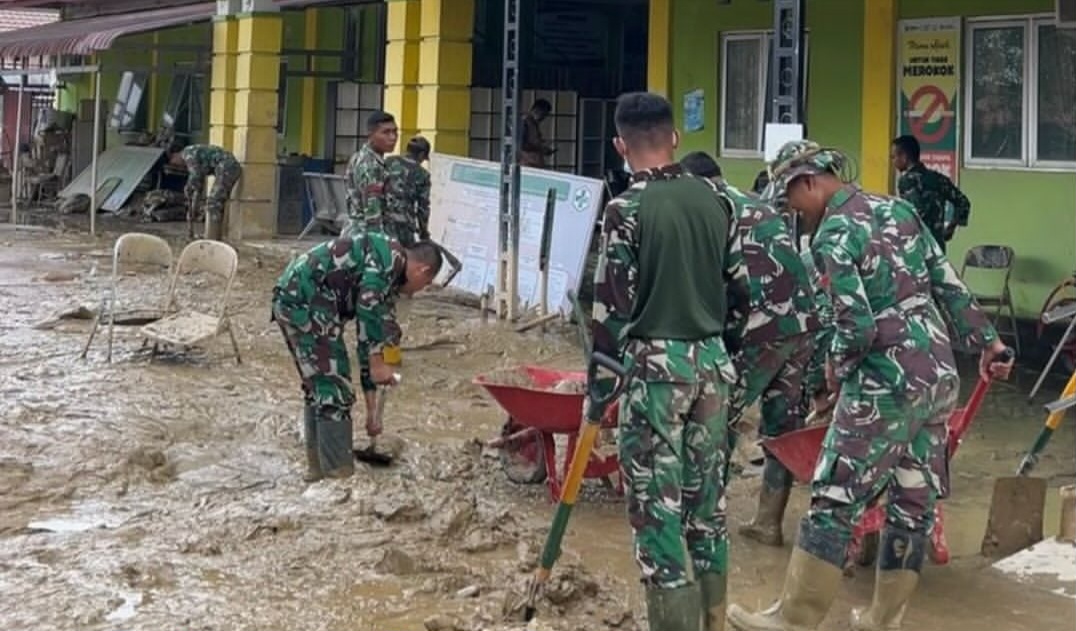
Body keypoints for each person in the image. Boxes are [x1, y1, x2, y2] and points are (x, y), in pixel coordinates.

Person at [726, 140, 1014, 631]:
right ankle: (883, 619)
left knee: (834, 496)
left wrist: (835, 369)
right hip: (938, 374)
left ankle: (794, 619)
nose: (792, 210)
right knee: (912, 500)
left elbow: (856, 328)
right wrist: (988, 343)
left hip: (886, 380)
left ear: (811, 180)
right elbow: (945, 281)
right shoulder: (896, 208)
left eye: (791, 196)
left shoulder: (833, 235)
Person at [592, 92, 749, 631]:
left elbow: (611, 311)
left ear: (620, 146)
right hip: (713, 367)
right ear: (675, 138)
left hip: (656, 372)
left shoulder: (624, 210)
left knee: (656, 512)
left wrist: (598, 391)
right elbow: (741, 295)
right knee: (708, 509)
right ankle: (715, 620)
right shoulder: (717, 199)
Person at [681, 151, 822, 548]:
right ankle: (768, 522)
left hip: (760, 327)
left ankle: (703, 520)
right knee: (782, 425)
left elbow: (715, 285)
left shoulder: (709, 210)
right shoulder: (755, 204)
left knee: (716, 416)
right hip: (803, 324)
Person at [272, 235, 442, 481]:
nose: (419, 291)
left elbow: (372, 342)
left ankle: (318, 473)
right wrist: (377, 365)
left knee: (319, 387)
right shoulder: (388, 261)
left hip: (301, 299)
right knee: (334, 390)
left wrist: (372, 412)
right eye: (425, 284)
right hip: (305, 301)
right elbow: (367, 313)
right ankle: (338, 480)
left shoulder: (387, 284)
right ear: (422, 270)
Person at [891, 134, 971, 253]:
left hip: (916, 249)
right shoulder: (938, 179)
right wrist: (951, 227)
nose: (892, 161)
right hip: (937, 247)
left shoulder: (907, 181)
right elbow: (963, 202)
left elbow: (912, 215)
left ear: (904, 157)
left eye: (893, 156)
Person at [171, 143, 241, 241]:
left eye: (174, 164)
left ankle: (212, 238)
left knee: (213, 203)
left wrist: (188, 187)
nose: (179, 167)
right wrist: (192, 210)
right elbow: (198, 187)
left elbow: (195, 177)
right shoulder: (193, 156)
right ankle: (215, 236)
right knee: (215, 202)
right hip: (227, 168)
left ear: (175, 155)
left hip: (227, 167)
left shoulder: (188, 154)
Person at [346, 111, 399, 233]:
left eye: (395, 131)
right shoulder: (370, 166)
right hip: (366, 237)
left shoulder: (360, 156)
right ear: (371, 135)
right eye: (386, 132)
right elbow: (373, 216)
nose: (393, 137)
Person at [384, 136, 432, 246]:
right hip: (403, 228)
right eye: (423, 158)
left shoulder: (388, 162)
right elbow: (423, 208)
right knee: (404, 259)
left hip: (382, 223)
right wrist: (424, 233)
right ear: (421, 155)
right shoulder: (422, 174)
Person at [520, 99, 556, 168]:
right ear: (537, 110)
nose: (543, 118)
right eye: (543, 115)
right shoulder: (525, 122)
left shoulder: (533, 124)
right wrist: (541, 149)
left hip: (534, 164)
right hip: (528, 165)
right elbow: (522, 145)